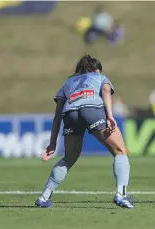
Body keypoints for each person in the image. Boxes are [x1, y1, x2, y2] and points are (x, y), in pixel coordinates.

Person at [35, 55, 134, 209]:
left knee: (68, 158)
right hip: (92, 110)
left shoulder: (67, 82)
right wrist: (110, 115)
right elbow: (106, 92)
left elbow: (57, 115)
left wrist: (52, 143)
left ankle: (44, 197)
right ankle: (121, 195)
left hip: (70, 114)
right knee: (120, 151)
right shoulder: (100, 76)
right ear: (97, 69)